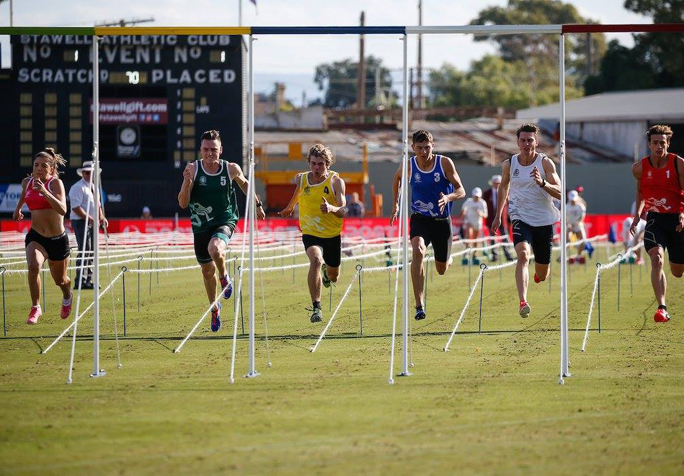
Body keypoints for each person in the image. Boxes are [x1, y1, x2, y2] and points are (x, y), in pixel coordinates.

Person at [178, 130, 265, 332]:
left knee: (216, 249)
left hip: (225, 220)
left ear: (221, 150)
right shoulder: (192, 169)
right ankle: (214, 309)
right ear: (201, 150)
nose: (210, 154)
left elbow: (245, 185)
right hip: (200, 226)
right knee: (207, 271)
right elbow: (183, 203)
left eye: (214, 150)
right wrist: (187, 183)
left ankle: (224, 275)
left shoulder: (230, 168)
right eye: (206, 149)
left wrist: (257, 205)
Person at [390, 130, 465, 320]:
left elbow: (461, 190)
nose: (424, 152)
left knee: (441, 270)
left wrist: (448, 198)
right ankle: (419, 304)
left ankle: (447, 258)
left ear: (433, 146)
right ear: (413, 148)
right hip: (420, 219)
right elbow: (397, 178)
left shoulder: (444, 163)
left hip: (441, 221)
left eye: (427, 147)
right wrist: (396, 203)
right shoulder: (409, 165)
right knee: (418, 251)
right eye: (419, 148)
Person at [491, 123, 561, 318]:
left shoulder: (545, 163)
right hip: (520, 216)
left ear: (536, 142)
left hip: (543, 221)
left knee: (542, 273)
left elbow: (560, 192)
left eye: (530, 140)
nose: (526, 144)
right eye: (523, 140)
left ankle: (538, 274)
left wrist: (542, 183)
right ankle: (523, 301)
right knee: (522, 255)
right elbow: (503, 188)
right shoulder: (509, 164)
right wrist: (498, 215)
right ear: (518, 142)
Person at [279, 144, 347, 323]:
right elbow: (297, 194)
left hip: (332, 234)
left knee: (334, 276)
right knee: (315, 260)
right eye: (314, 163)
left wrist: (331, 208)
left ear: (328, 164)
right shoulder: (301, 179)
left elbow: (343, 210)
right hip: (310, 231)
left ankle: (326, 273)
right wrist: (289, 208)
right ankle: (317, 307)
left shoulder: (335, 182)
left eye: (321, 164)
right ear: (309, 163)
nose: (317, 168)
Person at [629, 124, 684, 323]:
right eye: (655, 143)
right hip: (655, 219)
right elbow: (641, 192)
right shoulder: (639, 168)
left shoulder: (679, 164)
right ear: (649, 145)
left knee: (677, 272)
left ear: (668, 143)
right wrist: (637, 215)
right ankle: (662, 307)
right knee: (656, 259)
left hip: (677, 219)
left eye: (662, 142)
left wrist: (683, 214)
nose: (659, 146)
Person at [13, 149, 73, 324]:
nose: (38, 168)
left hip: (57, 240)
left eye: (43, 166)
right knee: (33, 266)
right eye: (36, 165)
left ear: (52, 169)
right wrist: (18, 209)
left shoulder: (55, 184)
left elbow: (63, 209)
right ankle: (36, 307)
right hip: (36, 236)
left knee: (60, 280)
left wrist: (44, 192)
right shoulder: (27, 182)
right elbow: (24, 194)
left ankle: (67, 295)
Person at [69, 161, 107, 290]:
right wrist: (89, 218)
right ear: (82, 173)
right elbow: (75, 208)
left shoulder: (93, 187)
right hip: (81, 222)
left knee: (91, 251)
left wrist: (102, 217)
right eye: (86, 172)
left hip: (91, 222)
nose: (89, 174)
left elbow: (97, 206)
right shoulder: (77, 187)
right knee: (84, 249)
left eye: (91, 172)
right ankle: (80, 280)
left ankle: (87, 279)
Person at [482, 174, 513, 262]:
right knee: (492, 238)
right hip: (491, 219)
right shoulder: (487, 193)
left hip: (502, 220)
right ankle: (494, 256)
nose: (497, 185)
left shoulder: (505, 192)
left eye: (499, 183)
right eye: (495, 183)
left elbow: (508, 205)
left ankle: (508, 255)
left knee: (504, 237)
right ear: (492, 183)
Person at [460, 187, 487, 262]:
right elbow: (463, 210)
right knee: (468, 235)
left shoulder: (482, 203)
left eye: (477, 196)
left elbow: (485, 215)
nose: (476, 198)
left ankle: (474, 254)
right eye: (475, 196)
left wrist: (480, 213)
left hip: (477, 223)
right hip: (469, 222)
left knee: (475, 239)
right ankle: (466, 252)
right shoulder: (468, 201)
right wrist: (464, 212)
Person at [566, 190, 587, 263]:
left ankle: (578, 256)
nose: (573, 202)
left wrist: (577, 223)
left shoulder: (580, 206)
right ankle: (565, 256)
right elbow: (564, 218)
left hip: (578, 225)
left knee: (583, 240)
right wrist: (568, 224)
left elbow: (582, 217)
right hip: (570, 226)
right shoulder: (566, 207)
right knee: (567, 239)